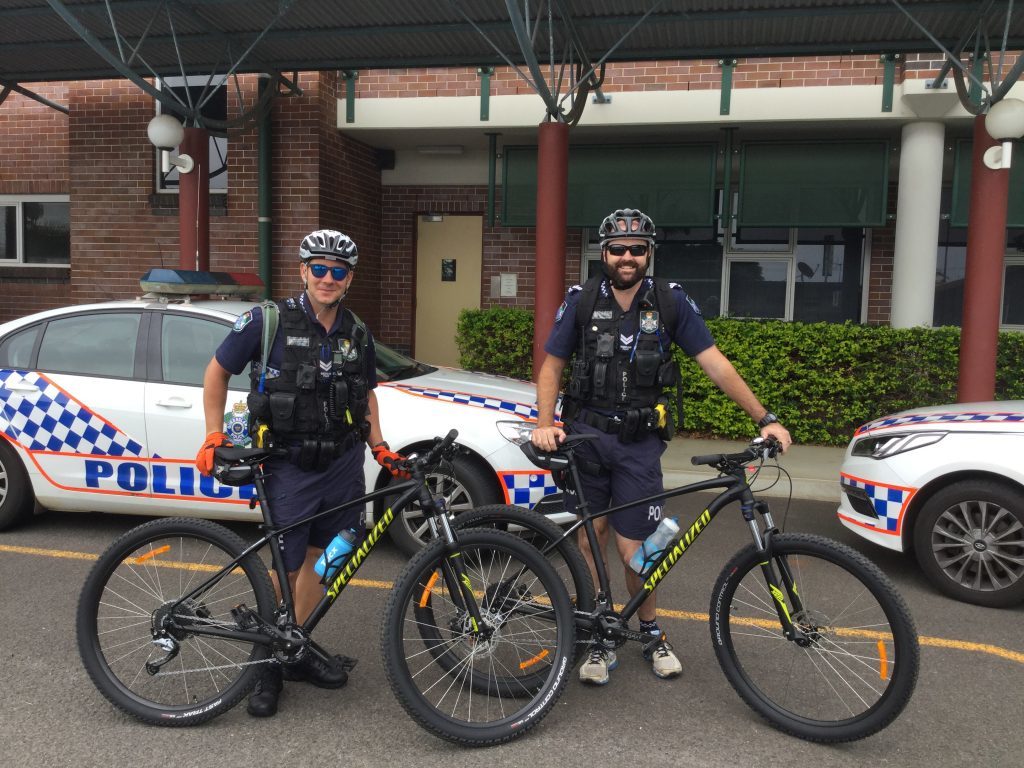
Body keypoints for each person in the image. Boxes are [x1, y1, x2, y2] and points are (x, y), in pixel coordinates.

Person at [530, 208, 792, 686]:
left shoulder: (670, 302)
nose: (627, 257)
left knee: (640, 549)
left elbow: (714, 362)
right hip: (585, 437)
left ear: (649, 253)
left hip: (638, 444)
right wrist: (545, 424)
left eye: (637, 249)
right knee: (592, 539)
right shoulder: (582, 299)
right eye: (617, 249)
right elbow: (552, 367)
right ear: (603, 253)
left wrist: (764, 418)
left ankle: (649, 629)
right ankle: (599, 631)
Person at [195, 229, 408, 717]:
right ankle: (266, 661)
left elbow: (366, 394)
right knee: (286, 566)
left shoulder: (357, 331)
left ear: (349, 278)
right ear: (302, 271)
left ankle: (295, 645)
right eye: (319, 268)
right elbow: (215, 373)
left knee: (327, 556)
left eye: (338, 271)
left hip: (343, 464)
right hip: (287, 464)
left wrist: (379, 446)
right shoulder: (266, 320)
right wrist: (213, 435)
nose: (327, 278)